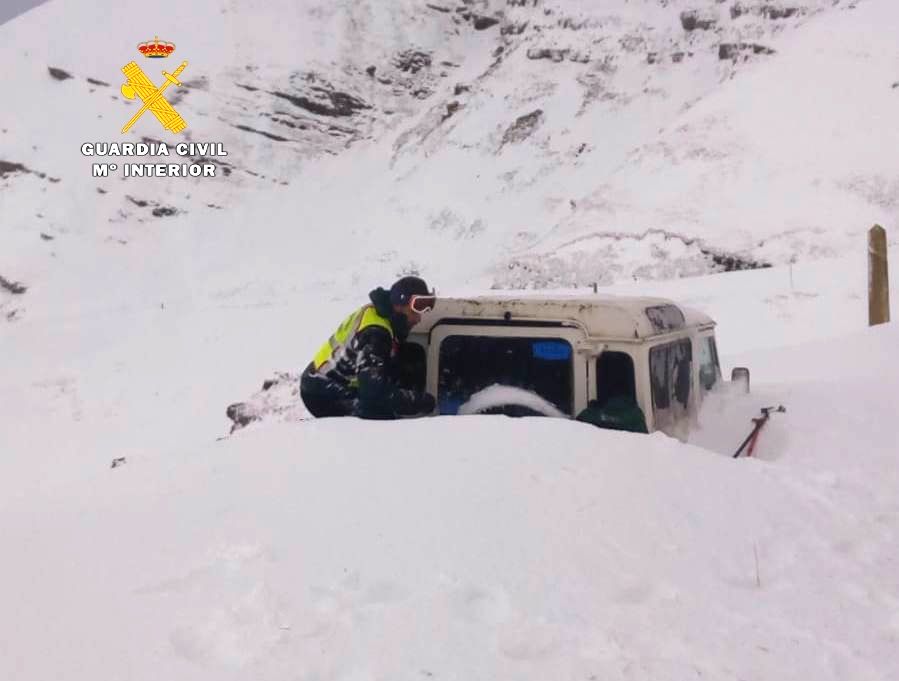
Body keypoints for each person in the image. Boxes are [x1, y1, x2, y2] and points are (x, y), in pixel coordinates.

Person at [300, 276, 438, 419]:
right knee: (377, 413)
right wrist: (421, 402)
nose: (418, 319)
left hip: (326, 379)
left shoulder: (380, 314)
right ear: (398, 305)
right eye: (415, 312)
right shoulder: (375, 334)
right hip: (321, 392)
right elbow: (373, 394)